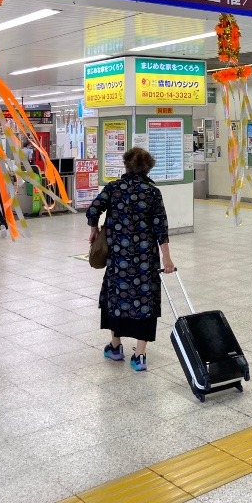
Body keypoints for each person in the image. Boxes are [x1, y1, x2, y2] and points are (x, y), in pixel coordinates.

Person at [86, 147, 175, 372]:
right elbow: (160, 229)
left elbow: (93, 209)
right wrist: (167, 259)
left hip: (118, 259)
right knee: (144, 302)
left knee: (116, 299)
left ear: (126, 165)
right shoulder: (152, 192)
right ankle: (140, 355)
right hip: (145, 260)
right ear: (148, 168)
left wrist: (94, 229)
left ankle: (115, 347)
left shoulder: (114, 188)